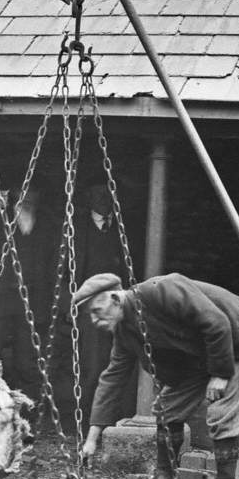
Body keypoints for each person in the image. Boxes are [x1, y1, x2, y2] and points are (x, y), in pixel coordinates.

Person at [77, 272, 239, 479]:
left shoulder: (162, 290)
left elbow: (216, 322)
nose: (95, 320)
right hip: (198, 356)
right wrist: (92, 439)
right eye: (90, 316)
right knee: (167, 408)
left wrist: (221, 374)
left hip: (233, 341)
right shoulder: (125, 331)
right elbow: (112, 378)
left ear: (115, 298)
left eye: (97, 310)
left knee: (221, 415)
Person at [0, 183, 57, 403]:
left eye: (33, 192)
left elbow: (54, 264)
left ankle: (25, 409)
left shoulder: (47, 224)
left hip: (33, 304)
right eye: (23, 191)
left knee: (27, 362)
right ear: (14, 194)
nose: (28, 196)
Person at [70, 182, 129, 428]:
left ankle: (118, 420)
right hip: (91, 309)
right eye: (98, 194)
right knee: (93, 366)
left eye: (108, 194)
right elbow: (63, 272)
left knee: (122, 363)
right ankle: (86, 423)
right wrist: (71, 305)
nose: (104, 199)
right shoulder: (76, 230)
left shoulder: (125, 229)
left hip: (120, 308)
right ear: (89, 198)